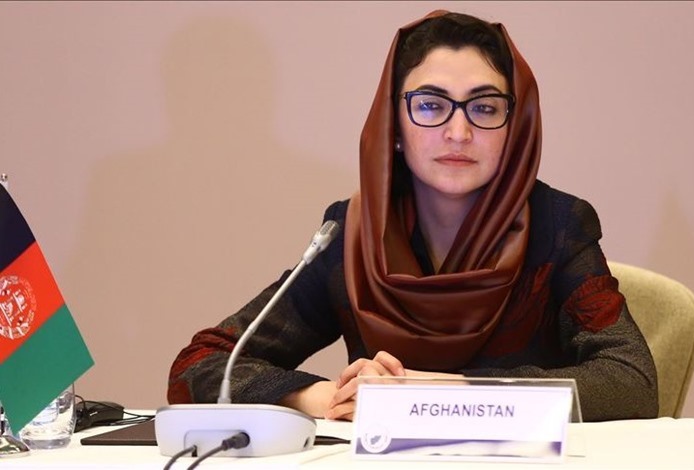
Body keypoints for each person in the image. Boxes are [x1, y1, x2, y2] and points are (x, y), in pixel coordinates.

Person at [167, 10, 658, 422]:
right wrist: (326, 398)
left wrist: (448, 391)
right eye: (430, 105)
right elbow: (201, 364)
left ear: (516, 127)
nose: (459, 132)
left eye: (485, 108)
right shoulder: (353, 236)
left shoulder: (559, 225)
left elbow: (632, 382)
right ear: (394, 126)